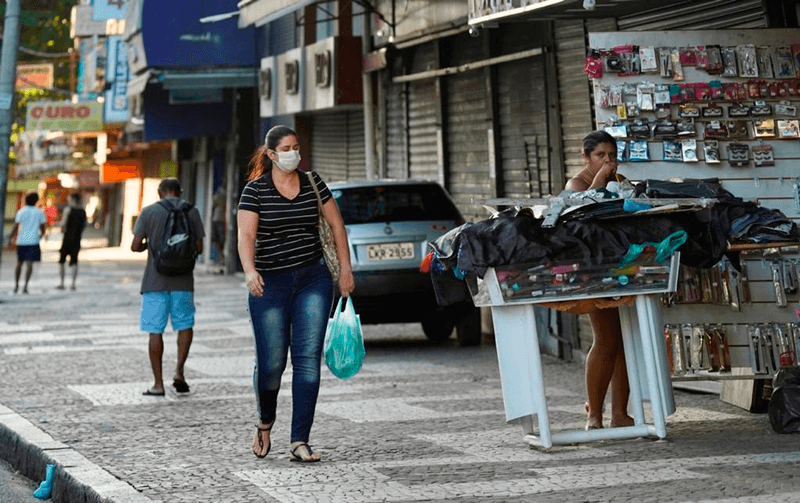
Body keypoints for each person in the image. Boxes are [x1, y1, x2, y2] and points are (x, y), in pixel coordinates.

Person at [237, 125, 354, 462]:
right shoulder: (254, 191)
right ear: (271, 154)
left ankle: (299, 440)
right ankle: (265, 421)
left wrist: (345, 270)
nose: (293, 153)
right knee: (272, 364)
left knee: (306, 362)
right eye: (286, 148)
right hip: (269, 283)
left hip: (312, 279)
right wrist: (249, 270)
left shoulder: (314, 183)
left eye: (296, 147)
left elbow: (336, 225)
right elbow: (245, 236)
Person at [565, 130, 634, 431]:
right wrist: (600, 181)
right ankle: (594, 415)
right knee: (605, 339)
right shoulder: (576, 183)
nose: (608, 161)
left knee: (621, 342)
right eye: (600, 155)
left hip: (617, 266)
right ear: (586, 157)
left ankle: (620, 413)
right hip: (591, 270)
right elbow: (582, 210)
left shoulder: (617, 181)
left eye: (612, 155)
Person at [131, 178, 204, 397]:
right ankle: (179, 371)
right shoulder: (192, 211)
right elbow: (199, 247)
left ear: (160, 192)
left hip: (155, 281)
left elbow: (135, 246)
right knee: (184, 325)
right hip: (183, 281)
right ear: (179, 192)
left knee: (155, 330)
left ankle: (158, 384)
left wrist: (152, 246)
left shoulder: (149, 212)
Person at [9, 192, 47, 294]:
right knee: (29, 265)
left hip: (21, 241)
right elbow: (43, 228)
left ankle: (16, 285)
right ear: (36, 200)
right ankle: (25, 286)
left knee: (19, 263)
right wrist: (41, 236)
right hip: (33, 241)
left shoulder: (21, 211)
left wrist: (11, 237)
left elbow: (16, 226)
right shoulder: (39, 212)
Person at [56, 193, 87, 291]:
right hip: (77, 239)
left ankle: (62, 283)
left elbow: (63, 223)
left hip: (67, 238)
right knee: (74, 261)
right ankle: (73, 284)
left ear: (73, 199)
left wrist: (57, 224)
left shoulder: (68, 210)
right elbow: (84, 225)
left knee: (62, 261)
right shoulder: (82, 212)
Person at [211, 186, 226, 266]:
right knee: (215, 239)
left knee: (221, 239)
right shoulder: (218, 193)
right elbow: (214, 202)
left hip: (222, 220)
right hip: (216, 219)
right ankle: (220, 256)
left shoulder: (225, 193)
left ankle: (222, 256)